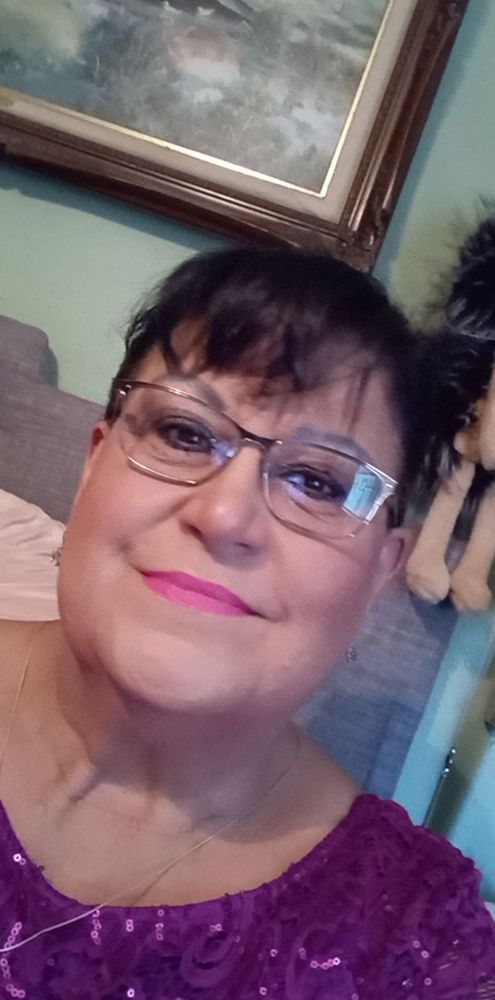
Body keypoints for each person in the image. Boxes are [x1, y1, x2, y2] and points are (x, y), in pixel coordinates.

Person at [0, 247, 493, 999]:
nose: (225, 515)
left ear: (380, 571)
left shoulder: (416, 936)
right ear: (94, 462)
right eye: (185, 433)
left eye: (317, 481)